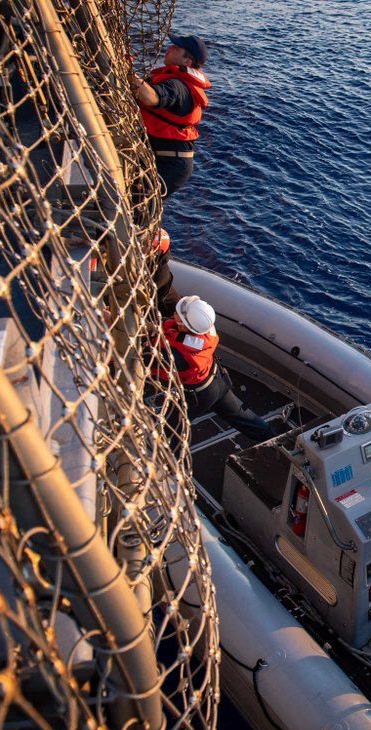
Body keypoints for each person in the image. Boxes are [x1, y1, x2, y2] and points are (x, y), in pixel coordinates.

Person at [130, 33, 211, 317]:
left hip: (169, 165)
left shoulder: (178, 85)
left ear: (187, 60)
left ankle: (150, 278)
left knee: (135, 209)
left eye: (176, 47)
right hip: (168, 162)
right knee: (138, 208)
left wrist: (129, 76)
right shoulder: (177, 80)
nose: (170, 48)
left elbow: (151, 98)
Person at [151, 295, 273, 442]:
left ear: (184, 324)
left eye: (177, 312)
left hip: (197, 397)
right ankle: (271, 437)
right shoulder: (204, 330)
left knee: (171, 432)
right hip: (216, 381)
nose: (175, 311)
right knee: (239, 415)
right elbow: (173, 327)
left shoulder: (177, 355)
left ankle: (169, 462)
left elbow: (148, 360)